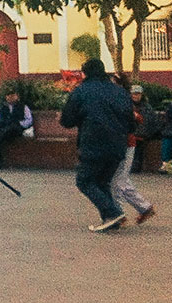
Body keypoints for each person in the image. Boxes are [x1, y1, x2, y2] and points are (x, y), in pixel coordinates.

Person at [60, 59, 136, 232]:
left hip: (93, 143)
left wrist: (79, 119)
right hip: (118, 145)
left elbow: (67, 120)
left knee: (84, 180)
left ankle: (113, 212)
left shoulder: (81, 92)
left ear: (85, 73)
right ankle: (111, 218)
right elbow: (131, 124)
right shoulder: (120, 92)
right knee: (102, 182)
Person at [110, 74, 155, 225]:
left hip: (126, 144)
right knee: (120, 179)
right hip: (116, 144)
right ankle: (144, 207)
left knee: (117, 181)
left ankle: (119, 215)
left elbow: (138, 119)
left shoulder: (122, 101)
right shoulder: (116, 99)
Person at [0, 89, 33, 168]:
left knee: (2, 134)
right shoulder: (2, 107)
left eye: (13, 96)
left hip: (16, 129)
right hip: (3, 129)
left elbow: (29, 120)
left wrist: (19, 124)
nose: (11, 98)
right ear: (6, 97)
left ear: (17, 97)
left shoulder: (23, 107)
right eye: (9, 96)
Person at [128, 85, 159, 173]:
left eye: (138, 94)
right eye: (134, 94)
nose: (136, 96)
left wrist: (143, 133)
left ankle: (136, 166)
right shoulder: (127, 105)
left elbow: (150, 122)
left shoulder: (147, 107)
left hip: (141, 134)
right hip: (129, 133)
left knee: (138, 147)